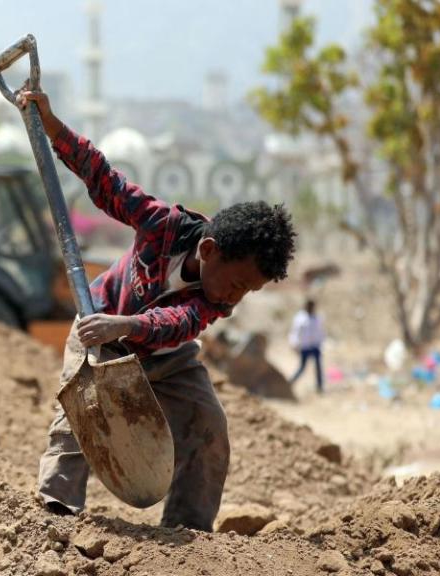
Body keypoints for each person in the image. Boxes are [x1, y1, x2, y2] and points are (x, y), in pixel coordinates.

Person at [17, 89, 297, 532]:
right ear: (208, 250)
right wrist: (50, 123)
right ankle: (56, 517)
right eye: (239, 283)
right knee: (80, 417)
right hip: (98, 328)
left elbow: (175, 324)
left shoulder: (212, 302)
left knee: (208, 423)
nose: (235, 298)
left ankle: (189, 529)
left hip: (163, 354)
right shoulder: (161, 224)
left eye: (250, 292)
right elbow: (104, 180)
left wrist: (126, 326)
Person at [288, 299, 325, 393]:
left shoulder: (316, 318)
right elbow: (295, 332)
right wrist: (294, 344)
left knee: (318, 367)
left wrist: (320, 342)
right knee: (302, 368)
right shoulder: (300, 318)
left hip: (315, 346)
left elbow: (320, 331)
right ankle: (290, 383)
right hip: (304, 347)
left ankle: (319, 387)